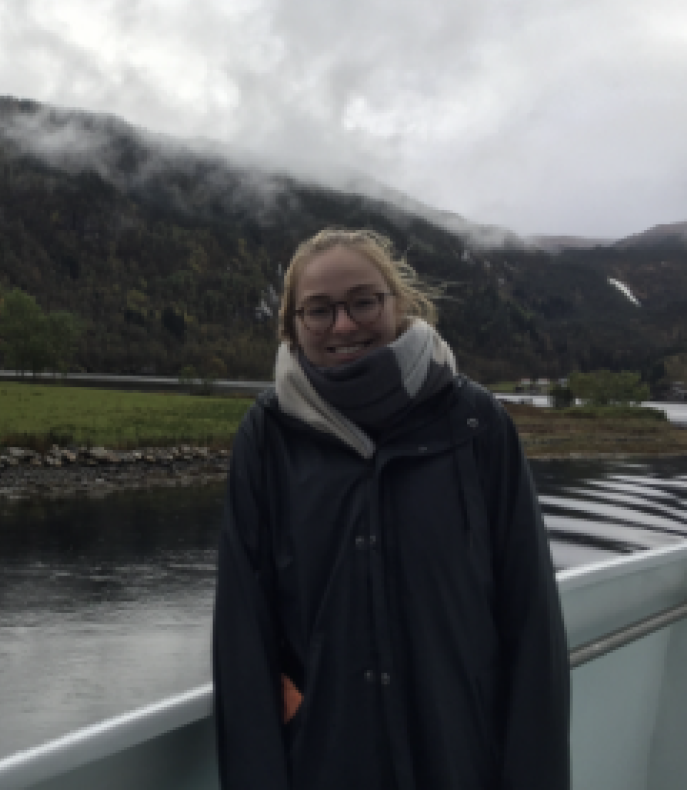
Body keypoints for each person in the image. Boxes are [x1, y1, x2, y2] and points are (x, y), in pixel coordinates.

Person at [212, 228, 570, 790]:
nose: (344, 325)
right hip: (327, 763)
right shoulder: (268, 436)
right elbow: (243, 634)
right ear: (292, 326)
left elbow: (530, 620)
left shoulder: (475, 423)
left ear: (396, 305)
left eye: (363, 301)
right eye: (320, 310)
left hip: (460, 758)